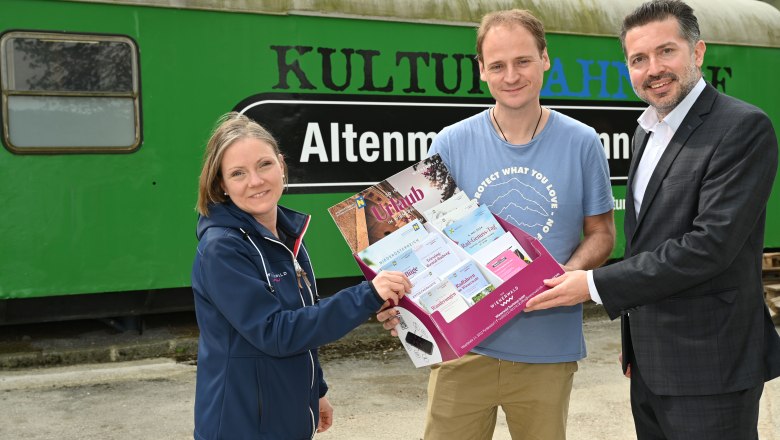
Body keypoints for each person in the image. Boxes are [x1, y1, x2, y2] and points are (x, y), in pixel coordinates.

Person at [524, 1, 780, 438]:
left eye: (667, 52)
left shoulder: (742, 127)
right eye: (638, 59)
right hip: (651, 363)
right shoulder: (647, 129)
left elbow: (709, 246)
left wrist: (592, 283)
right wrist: (635, 348)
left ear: (698, 52)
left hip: (712, 365)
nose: (653, 69)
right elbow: (648, 241)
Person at [378, 9, 615, 440]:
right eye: (498, 65)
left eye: (523, 61)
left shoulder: (582, 143)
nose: (512, 75)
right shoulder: (449, 142)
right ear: (482, 70)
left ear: (545, 59)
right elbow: (419, 241)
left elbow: (602, 233)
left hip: (548, 348)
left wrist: (567, 274)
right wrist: (399, 299)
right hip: (462, 347)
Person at [191, 112, 411, 440]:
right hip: (243, 425)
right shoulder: (222, 249)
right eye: (238, 173)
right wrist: (367, 295)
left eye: (264, 164)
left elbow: (302, 317)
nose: (256, 181)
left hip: (283, 415)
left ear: (282, 165)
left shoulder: (285, 234)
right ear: (222, 184)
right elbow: (276, 332)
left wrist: (315, 390)